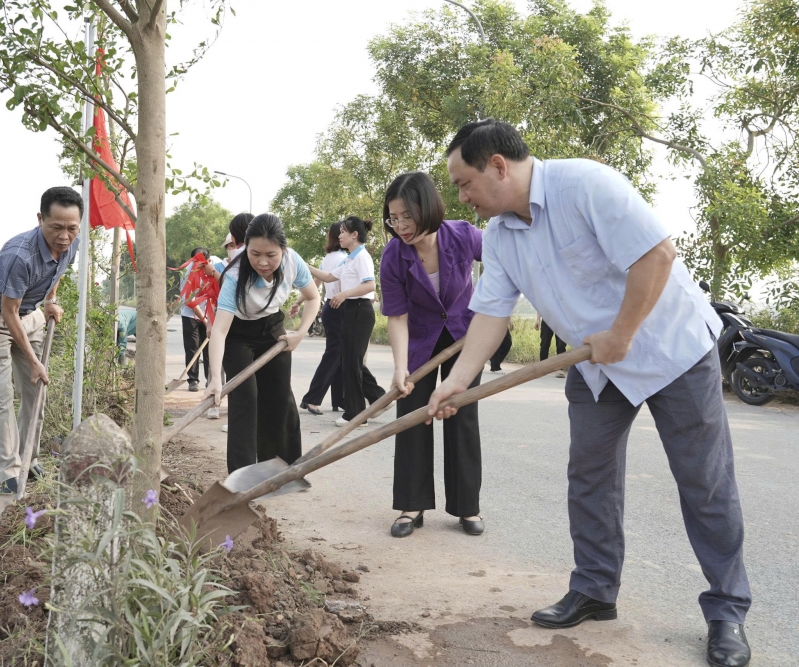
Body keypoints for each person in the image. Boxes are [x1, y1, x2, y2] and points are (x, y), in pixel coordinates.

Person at [429, 120, 751, 667]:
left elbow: (657, 255)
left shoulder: (585, 185)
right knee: (590, 476)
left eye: (464, 184)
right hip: (596, 365)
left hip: (671, 349)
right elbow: (491, 313)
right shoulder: (501, 236)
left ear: (498, 166)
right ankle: (595, 588)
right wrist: (459, 381)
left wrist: (622, 333)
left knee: (704, 481)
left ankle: (727, 611)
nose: (461, 198)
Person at [378, 171, 485, 538]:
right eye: (394, 218)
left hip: (463, 337)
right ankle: (412, 504)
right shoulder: (394, 255)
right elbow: (397, 316)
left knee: (461, 417)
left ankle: (467, 506)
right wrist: (400, 368)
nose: (400, 226)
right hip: (419, 341)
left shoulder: (463, 235)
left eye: (407, 216)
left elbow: (507, 259)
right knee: (413, 417)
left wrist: (489, 306)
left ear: (428, 208)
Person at [0, 186, 81, 494]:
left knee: (36, 393)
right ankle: (8, 473)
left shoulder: (72, 243)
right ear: (40, 219)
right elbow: (8, 312)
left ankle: (28, 459)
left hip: (29, 316)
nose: (64, 236)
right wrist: (33, 361)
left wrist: (51, 300)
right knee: (2, 396)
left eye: (71, 228)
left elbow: (57, 271)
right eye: (56, 227)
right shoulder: (19, 255)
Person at [203, 214, 321, 473]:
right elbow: (220, 331)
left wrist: (300, 333)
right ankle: (243, 479)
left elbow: (313, 298)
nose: (263, 262)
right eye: (255, 254)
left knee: (279, 398)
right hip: (237, 334)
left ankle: (282, 472)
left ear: (283, 250)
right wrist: (215, 379)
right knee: (245, 401)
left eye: (271, 255)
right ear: (245, 247)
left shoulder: (293, 261)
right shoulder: (235, 275)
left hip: (272, 328)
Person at [308, 217, 385, 427]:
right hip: (351, 311)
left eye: (343, 232)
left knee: (351, 362)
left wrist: (344, 294)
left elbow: (370, 286)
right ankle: (375, 400)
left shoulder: (362, 257)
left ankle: (356, 413)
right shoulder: (350, 258)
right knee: (348, 361)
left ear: (354, 235)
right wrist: (306, 266)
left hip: (360, 310)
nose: (339, 236)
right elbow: (328, 277)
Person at [298, 222, 346, 414]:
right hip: (340, 307)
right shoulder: (345, 258)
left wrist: (298, 301)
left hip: (329, 308)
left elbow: (315, 282)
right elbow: (341, 285)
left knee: (338, 355)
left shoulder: (328, 258)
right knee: (335, 355)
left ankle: (339, 399)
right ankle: (312, 399)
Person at [179, 247, 211, 392]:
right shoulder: (188, 273)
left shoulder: (213, 268)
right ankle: (193, 380)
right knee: (192, 347)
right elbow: (190, 301)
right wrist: (204, 321)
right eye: (195, 262)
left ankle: (211, 379)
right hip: (190, 314)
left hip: (209, 311)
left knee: (209, 348)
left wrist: (210, 319)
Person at [536, 312, 568, 377]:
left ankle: (560, 369)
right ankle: (543, 368)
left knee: (561, 345)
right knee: (544, 344)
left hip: (561, 321)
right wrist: (537, 319)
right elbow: (541, 306)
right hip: (547, 319)